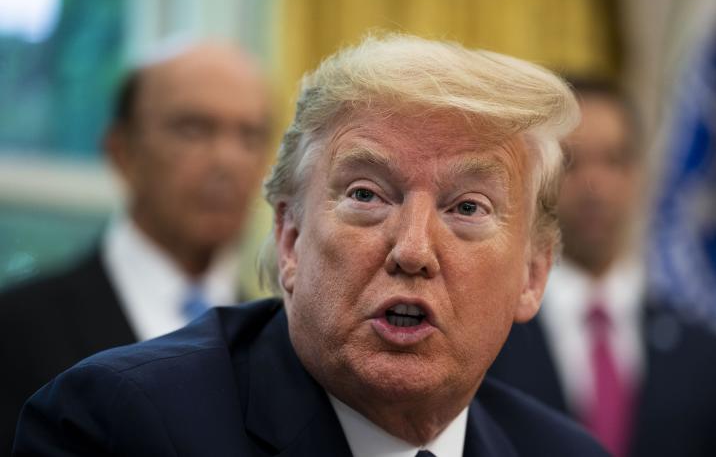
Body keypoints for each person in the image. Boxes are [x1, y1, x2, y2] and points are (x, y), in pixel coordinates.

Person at [13, 34, 609, 456]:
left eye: (468, 208)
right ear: (291, 239)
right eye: (368, 195)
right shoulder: (122, 424)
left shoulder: (565, 450)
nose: (413, 250)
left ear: (533, 275)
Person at [0, 42, 272, 454]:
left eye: (250, 136)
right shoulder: (15, 330)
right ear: (122, 151)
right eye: (193, 128)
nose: (227, 160)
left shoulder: (279, 346)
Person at [488, 80, 716, 457]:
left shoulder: (715, 361)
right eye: (570, 161)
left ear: (638, 174)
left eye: (614, 160)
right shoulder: (487, 350)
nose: (594, 183)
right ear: (536, 177)